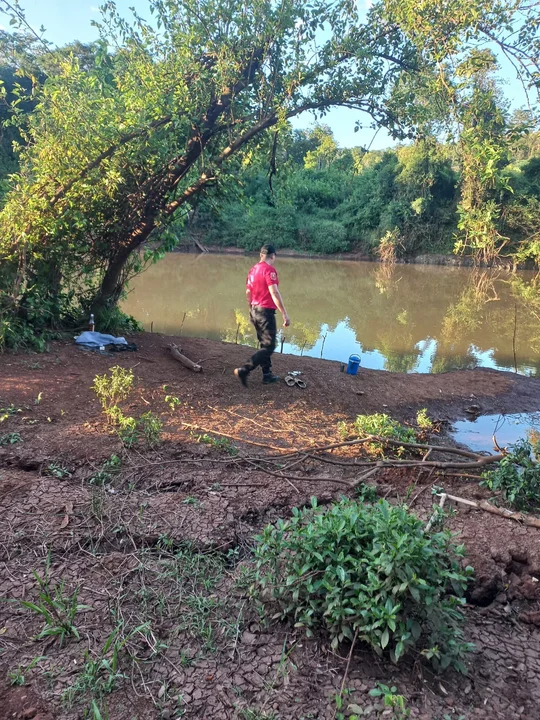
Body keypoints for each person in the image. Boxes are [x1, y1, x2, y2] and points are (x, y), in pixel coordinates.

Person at [234, 244, 290, 386]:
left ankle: (267, 375)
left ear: (261, 255)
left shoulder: (253, 270)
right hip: (265, 312)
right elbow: (274, 292)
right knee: (269, 347)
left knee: (264, 344)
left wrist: (250, 309)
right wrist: (284, 313)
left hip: (255, 310)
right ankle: (244, 370)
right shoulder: (269, 270)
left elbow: (248, 292)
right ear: (273, 256)